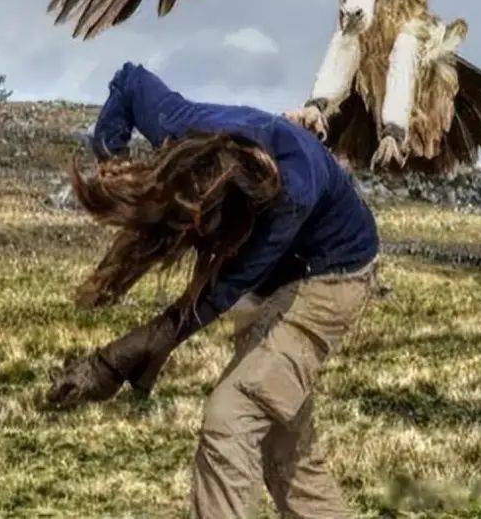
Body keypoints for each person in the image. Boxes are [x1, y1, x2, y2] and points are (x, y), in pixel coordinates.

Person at [48, 62, 380, 518]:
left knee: (234, 414)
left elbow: (219, 292)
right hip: (282, 274)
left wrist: (117, 358)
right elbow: (129, 80)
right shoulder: (181, 127)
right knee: (283, 443)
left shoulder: (291, 193)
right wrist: (114, 167)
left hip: (328, 277)